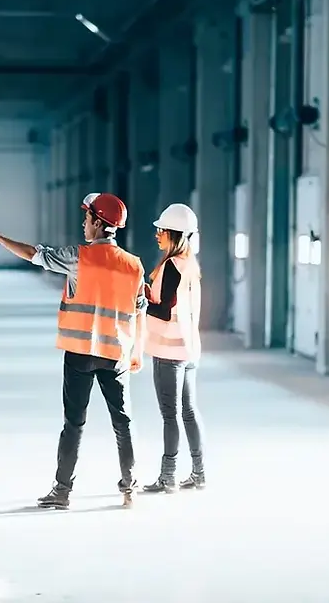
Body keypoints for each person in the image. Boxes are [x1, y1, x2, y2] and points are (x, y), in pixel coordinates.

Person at [0, 192, 147, 509]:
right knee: (123, 422)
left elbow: (35, 254)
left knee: (74, 423)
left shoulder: (79, 257)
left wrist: (2, 239)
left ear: (99, 224)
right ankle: (130, 488)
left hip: (80, 353)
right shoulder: (134, 266)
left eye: (87, 219)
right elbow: (139, 309)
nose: (84, 224)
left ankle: (62, 492)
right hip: (116, 354)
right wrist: (137, 351)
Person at [141, 203, 207, 494]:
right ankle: (198, 473)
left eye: (161, 230)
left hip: (168, 351)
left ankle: (168, 476)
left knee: (170, 415)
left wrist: (141, 303)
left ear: (174, 234)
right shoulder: (190, 264)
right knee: (189, 411)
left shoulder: (170, 265)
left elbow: (164, 312)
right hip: (189, 348)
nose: (157, 234)